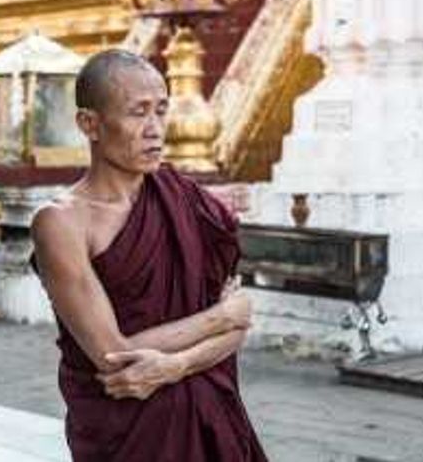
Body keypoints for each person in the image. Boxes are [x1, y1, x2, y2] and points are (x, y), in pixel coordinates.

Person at [31, 49, 268, 461]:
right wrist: (221, 318)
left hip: (211, 421)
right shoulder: (61, 222)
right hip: (125, 433)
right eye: (138, 112)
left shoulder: (187, 201)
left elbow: (237, 331)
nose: (155, 129)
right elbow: (113, 355)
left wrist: (178, 365)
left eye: (161, 110)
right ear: (89, 124)